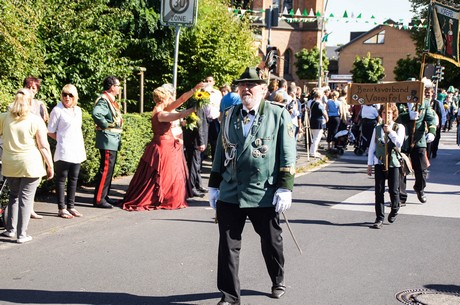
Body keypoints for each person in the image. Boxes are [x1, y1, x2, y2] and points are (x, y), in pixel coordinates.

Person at [208, 67, 296, 305]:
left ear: (263, 89)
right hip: (232, 190)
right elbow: (220, 151)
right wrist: (214, 185)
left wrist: (285, 186)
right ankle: (229, 296)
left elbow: (287, 152)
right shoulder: (228, 114)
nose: (247, 88)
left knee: (271, 241)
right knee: (228, 246)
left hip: (263, 192)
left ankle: (278, 279)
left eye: (252, 85)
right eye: (243, 85)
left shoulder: (278, 114)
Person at [122, 83, 203, 211]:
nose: (171, 100)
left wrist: (194, 89)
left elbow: (181, 100)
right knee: (166, 174)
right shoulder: (161, 114)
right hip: (163, 146)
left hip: (167, 142)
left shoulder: (162, 109)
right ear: (164, 99)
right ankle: (163, 197)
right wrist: (195, 108)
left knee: (168, 173)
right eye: (168, 98)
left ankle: (164, 195)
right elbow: (179, 115)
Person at [0, 88, 54, 243]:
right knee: (26, 199)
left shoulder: (4, 118)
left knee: (14, 195)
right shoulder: (35, 120)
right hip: (31, 164)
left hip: (10, 164)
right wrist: (50, 166)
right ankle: (22, 234)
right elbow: (43, 146)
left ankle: (10, 230)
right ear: (31, 102)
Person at [47, 84, 86, 219]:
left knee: (74, 179)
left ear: (75, 97)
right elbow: (50, 131)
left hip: (77, 150)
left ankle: (71, 206)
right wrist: (62, 139)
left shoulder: (78, 110)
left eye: (70, 95)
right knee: (61, 180)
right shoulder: (57, 110)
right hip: (64, 150)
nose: (67, 97)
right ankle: (61, 208)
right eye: (64, 94)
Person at [396, 83, 438, 205]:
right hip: (403, 139)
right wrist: (407, 116)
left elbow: (430, 118)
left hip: (419, 139)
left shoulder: (424, 102)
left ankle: (420, 188)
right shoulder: (400, 101)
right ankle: (401, 196)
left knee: (422, 168)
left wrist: (432, 132)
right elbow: (394, 117)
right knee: (401, 169)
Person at [367, 104, 405, 229]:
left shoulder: (399, 127)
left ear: (393, 114)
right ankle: (379, 218)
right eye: (384, 113)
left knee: (393, 190)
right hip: (380, 162)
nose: (386, 115)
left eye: (389, 112)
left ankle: (395, 207)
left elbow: (399, 143)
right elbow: (372, 147)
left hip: (393, 163)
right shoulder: (377, 128)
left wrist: (390, 132)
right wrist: (369, 164)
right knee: (379, 191)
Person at [92, 76, 123, 209]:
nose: (119, 88)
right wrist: (104, 125)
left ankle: (104, 195)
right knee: (105, 169)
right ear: (112, 87)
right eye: (118, 86)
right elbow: (97, 114)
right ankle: (99, 199)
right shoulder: (104, 100)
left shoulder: (110, 100)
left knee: (109, 170)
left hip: (111, 139)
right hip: (107, 139)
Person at [23, 76, 50, 219]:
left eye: (34, 88)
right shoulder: (18, 104)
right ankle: (25, 210)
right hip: (25, 145)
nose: (32, 90)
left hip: (37, 144)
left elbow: (44, 125)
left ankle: (30, 208)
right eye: (29, 87)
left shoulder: (39, 104)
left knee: (36, 178)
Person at [308, 88, 328, 158]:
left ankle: (312, 151)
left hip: (312, 120)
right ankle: (313, 152)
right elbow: (323, 112)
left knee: (314, 137)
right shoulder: (319, 103)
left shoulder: (312, 102)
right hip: (318, 121)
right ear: (320, 96)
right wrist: (326, 118)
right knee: (317, 138)